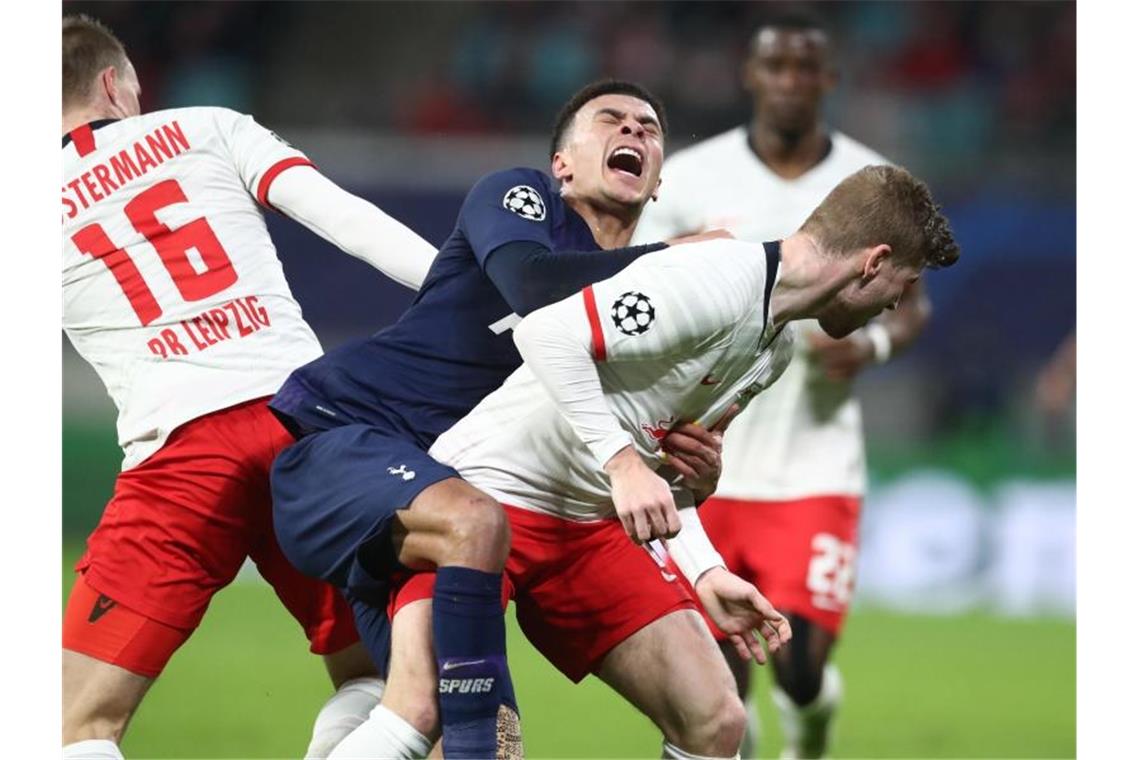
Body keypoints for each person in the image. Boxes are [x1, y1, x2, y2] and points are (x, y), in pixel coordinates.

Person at [413, 164, 960, 760]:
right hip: (483, 504)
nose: (895, 304)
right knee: (465, 739)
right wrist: (622, 463)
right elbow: (546, 335)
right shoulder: (716, 277)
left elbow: (667, 470)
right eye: (902, 284)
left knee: (716, 720)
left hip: (585, 532)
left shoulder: (773, 348)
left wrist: (703, 569)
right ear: (873, 262)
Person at [268, 80, 726, 759]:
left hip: (487, 503)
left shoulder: (651, 312)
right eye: (611, 120)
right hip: (353, 446)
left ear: (657, 182)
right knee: (467, 716)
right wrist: (670, 260)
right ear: (563, 164)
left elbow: (629, 451)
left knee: (714, 721)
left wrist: (694, 479)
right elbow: (533, 286)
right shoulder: (521, 197)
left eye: (649, 128)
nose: (634, 131)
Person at [61, 15, 439, 760]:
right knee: (370, 675)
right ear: (112, 83)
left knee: (76, 726)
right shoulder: (207, 126)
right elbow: (351, 223)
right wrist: (474, 297)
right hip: (304, 428)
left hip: (179, 454)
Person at [633, 12, 934, 758]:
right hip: (704, 465)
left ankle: (810, 734)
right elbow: (643, 283)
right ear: (752, 75)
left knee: (799, 667)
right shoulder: (693, 178)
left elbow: (914, 307)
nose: (792, 82)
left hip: (815, 463)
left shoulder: (874, 182)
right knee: (725, 672)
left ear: (829, 79)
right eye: (778, 67)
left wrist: (873, 345)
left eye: (807, 69)